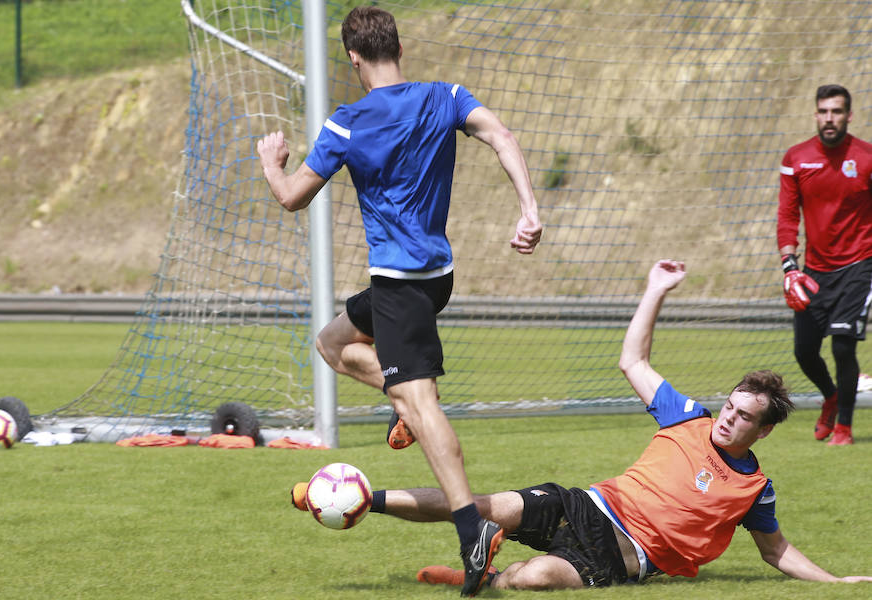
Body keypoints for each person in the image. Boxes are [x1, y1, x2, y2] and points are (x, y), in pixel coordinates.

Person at [292, 260, 872, 591]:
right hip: (587, 503)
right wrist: (655, 290)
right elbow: (633, 362)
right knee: (482, 504)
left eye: (745, 418)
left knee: (534, 579)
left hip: (624, 554)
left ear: (762, 432)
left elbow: (777, 553)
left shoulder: (755, 490)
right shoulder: (686, 416)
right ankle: (365, 498)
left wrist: (838, 582)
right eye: (730, 407)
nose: (729, 420)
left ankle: (479, 579)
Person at [257, 6, 542, 596]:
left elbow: (291, 198)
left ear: (354, 58)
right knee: (334, 342)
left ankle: (472, 529)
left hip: (399, 285)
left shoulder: (347, 122)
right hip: (435, 278)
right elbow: (503, 136)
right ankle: (405, 409)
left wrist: (271, 164)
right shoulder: (446, 95)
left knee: (423, 401)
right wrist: (529, 211)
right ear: (400, 48)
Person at [777, 84, 872, 446]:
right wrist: (790, 264)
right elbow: (787, 216)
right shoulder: (797, 158)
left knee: (843, 346)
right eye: (823, 111)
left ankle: (844, 428)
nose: (829, 118)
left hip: (859, 265)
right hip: (813, 271)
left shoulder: (866, 158)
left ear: (849, 115)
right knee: (803, 350)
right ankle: (830, 395)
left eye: (836, 111)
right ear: (816, 114)